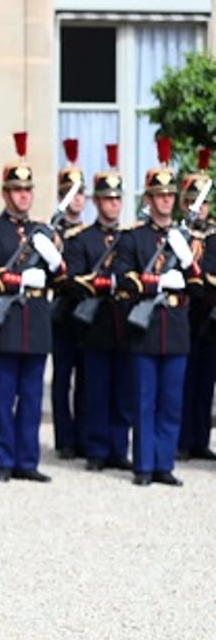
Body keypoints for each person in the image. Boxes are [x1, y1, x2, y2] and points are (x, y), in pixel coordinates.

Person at [0, 131, 63, 483]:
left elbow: (61, 281)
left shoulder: (43, 231)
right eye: (17, 190)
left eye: (28, 190)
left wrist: (53, 260)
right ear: (6, 194)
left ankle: (27, 460)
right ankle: (3, 459)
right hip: (4, 323)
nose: (23, 195)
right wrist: (17, 281)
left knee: (33, 397)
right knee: (2, 397)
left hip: (36, 323)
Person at [111, 140, 194, 486]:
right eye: (158, 195)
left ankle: (164, 464)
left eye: (170, 195)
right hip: (145, 325)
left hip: (175, 326)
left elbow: (199, 284)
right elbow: (124, 277)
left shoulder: (184, 238)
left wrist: (187, 262)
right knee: (144, 401)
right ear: (148, 199)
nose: (165, 200)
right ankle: (144, 465)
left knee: (171, 402)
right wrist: (158, 284)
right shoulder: (134, 237)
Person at [62, 144, 133, 472]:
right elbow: (74, 279)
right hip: (95, 323)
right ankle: (95, 448)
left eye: (117, 199)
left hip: (125, 323)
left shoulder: (130, 239)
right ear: (96, 202)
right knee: (95, 390)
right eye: (107, 199)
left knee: (123, 391)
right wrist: (105, 284)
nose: (113, 205)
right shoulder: (82, 239)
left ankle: (119, 448)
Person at [50, 139, 88, 459]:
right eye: (70, 193)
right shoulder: (51, 232)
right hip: (63, 311)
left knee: (87, 380)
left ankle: (84, 435)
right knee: (62, 378)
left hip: (88, 313)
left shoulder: (90, 231)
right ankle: (64, 439)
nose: (77, 199)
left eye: (80, 193)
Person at [177, 149, 216, 461]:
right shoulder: (177, 233)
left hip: (210, 317)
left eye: (203, 201)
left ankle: (200, 439)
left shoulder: (214, 234)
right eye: (193, 201)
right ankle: (181, 438)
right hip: (183, 313)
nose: (199, 208)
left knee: (205, 382)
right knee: (182, 381)